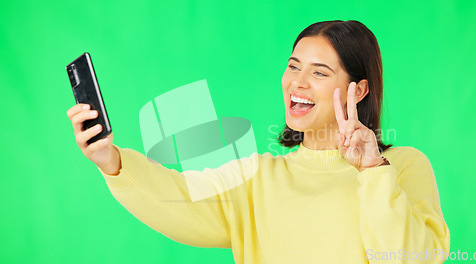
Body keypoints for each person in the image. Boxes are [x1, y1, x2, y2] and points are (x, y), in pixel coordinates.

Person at [67, 20, 450, 263]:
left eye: (319, 72)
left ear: (359, 88)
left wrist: (372, 170)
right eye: (293, 66)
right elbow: (179, 197)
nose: (297, 82)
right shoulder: (257, 177)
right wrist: (110, 160)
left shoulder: (401, 167)